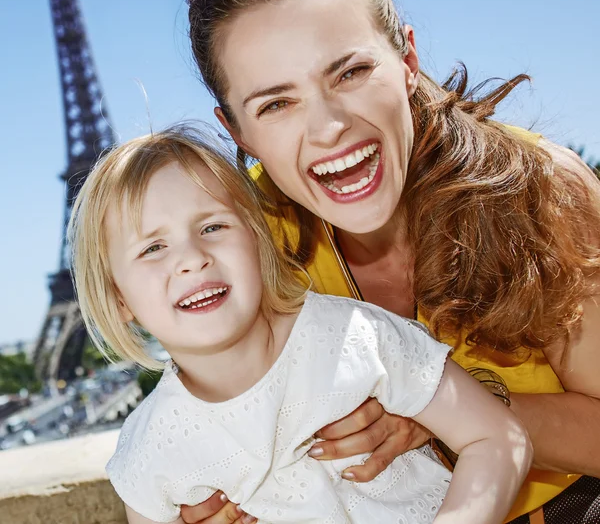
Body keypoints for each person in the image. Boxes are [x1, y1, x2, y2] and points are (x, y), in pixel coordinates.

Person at [183, 0, 600, 523]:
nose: (329, 125)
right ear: (237, 131)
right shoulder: (243, 240)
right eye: (276, 104)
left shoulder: (539, 189)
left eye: (351, 72)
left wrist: (446, 411)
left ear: (407, 61)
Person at [68, 127, 531, 524]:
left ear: (256, 238)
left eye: (211, 227)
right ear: (117, 298)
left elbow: (496, 438)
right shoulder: (150, 449)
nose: (192, 259)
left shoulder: (356, 337)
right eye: (153, 248)